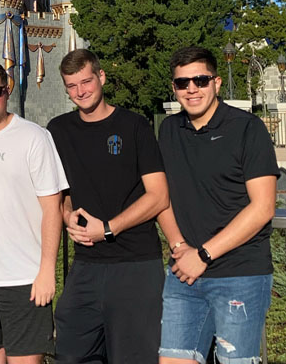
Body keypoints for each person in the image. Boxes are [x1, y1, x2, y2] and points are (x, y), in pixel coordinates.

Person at [157, 46, 278, 364]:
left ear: (217, 83)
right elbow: (161, 196)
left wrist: (204, 254)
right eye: (183, 83)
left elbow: (263, 207)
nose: (191, 88)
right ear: (174, 88)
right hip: (185, 275)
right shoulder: (169, 130)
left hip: (240, 274)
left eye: (200, 80)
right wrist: (180, 246)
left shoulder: (247, 128)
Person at [47, 49, 169, 364]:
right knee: (72, 352)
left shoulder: (135, 126)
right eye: (72, 86)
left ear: (101, 77)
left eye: (86, 81)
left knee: (133, 357)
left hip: (136, 264)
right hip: (86, 265)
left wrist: (108, 229)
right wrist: (68, 215)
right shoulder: (58, 131)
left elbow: (158, 196)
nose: (80, 91)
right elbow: (61, 192)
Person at [0, 61, 68, 364]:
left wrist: (46, 271)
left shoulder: (33, 137)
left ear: (7, 91)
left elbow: (52, 209)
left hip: (24, 278)